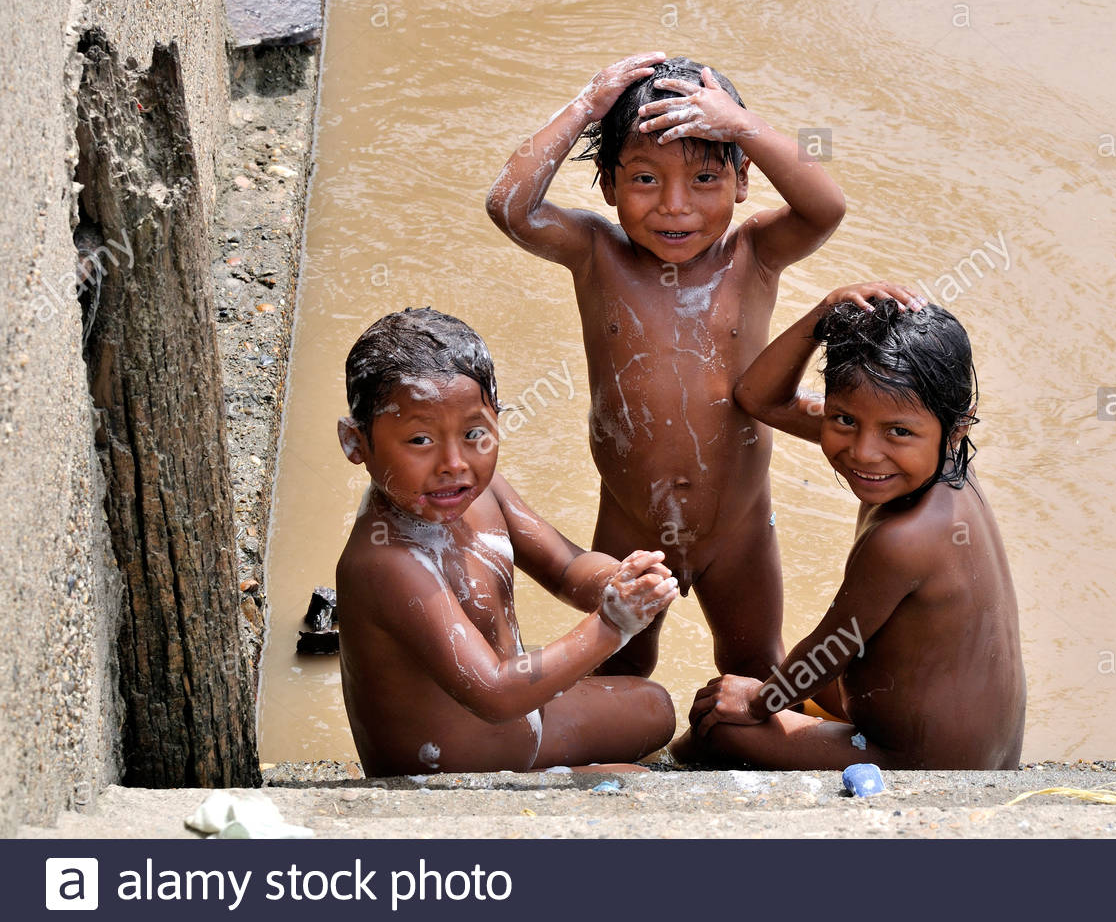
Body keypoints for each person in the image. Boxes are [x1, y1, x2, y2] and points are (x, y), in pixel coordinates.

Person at [485, 52, 845, 680]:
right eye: (645, 180)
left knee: (755, 670)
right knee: (620, 673)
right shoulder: (598, 254)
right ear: (607, 185)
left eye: (705, 180)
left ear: (742, 180)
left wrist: (741, 125)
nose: (675, 207)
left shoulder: (754, 252)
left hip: (739, 527)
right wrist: (586, 107)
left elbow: (826, 208)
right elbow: (510, 208)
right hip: (631, 519)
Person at [672, 283, 1025, 770]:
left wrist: (756, 703)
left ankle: (663, 767)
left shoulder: (905, 538)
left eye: (897, 432)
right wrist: (823, 317)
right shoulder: (938, 461)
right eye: (843, 420)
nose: (863, 453)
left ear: (957, 427)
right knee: (781, 693)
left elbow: (831, 649)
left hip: (920, 761)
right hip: (972, 742)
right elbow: (758, 397)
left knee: (719, 727)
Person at [334, 308, 678, 776]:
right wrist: (613, 625)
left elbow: (564, 567)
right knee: (634, 787)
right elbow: (494, 694)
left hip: (519, 720)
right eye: (419, 439)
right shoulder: (385, 562)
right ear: (356, 443)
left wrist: (621, 582)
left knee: (657, 709)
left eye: (475, 433)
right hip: (454, 773)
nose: (454, 462)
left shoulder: (481, 492)